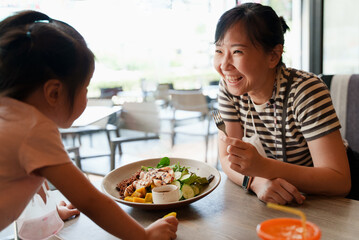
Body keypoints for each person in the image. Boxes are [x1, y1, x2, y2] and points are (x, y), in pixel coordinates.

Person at [0, 10, 178, 239]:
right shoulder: (33, 129)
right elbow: (90, 200)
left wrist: (52, 214)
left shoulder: (11, 116)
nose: (86, 96)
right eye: (85, 88)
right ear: (54, 92)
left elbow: (14, 184)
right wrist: (144, 236)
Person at [214, 3, 352, 205]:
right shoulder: (230, 87)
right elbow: (228, 160)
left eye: (237, 52)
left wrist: (263, 168)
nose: (224, 65)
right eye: (219, 51)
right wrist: (255, 182)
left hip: (327, 201)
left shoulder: (305, 90)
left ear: (273, 56)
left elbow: (339, 181)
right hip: (278, 202)